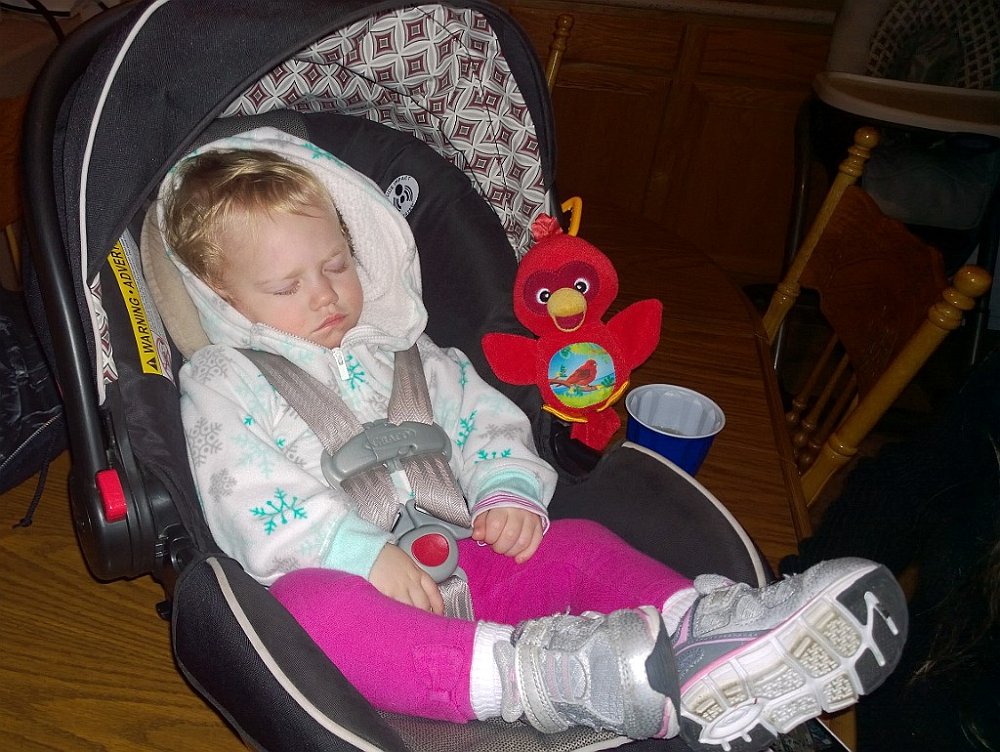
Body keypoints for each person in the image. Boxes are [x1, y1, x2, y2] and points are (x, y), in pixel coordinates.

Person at [159, 127, 907, 750]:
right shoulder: (226, 379)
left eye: (336, 265)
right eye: (287, 286)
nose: (325, 294)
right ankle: (540, 679)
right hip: (355, 587)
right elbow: (245, 490)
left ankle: (704, 637)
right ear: (223, 297)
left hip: (472, 556)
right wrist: (358, 554)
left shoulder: (410, 354)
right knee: (305, 613)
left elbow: (486, 422)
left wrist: (506, 490)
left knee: (577, 544)